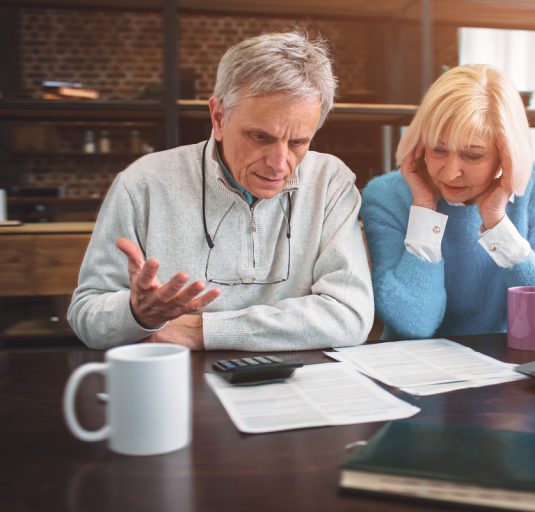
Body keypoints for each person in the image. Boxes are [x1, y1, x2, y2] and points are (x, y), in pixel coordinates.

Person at [68, 31, 374, 351]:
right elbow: (87, 317)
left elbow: (349, 316)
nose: (279, 164)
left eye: (298, 142)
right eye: (260, 137)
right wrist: (136, 314)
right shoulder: (142, 184)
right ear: (218, 116)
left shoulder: (330, 181)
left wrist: (200, 331)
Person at [360, 64, 535, 340]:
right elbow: (413, 324)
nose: (451, 172)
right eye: (438, 150)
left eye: (473, 156)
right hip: (415, 370)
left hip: (509, 365)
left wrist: (497, 222)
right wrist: (424, 212)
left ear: (506, 154)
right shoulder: (385, 197)